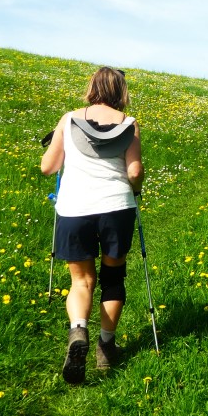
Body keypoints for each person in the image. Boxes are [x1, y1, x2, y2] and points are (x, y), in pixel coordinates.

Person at [40, 67, 144, 384]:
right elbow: (135, 172)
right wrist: (135, 189)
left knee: (81, 281)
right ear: (121, 91)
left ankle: (78, 331)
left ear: (93, 87)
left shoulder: (69, 119)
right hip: (116, 207)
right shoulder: (129, 125)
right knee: (113, 278)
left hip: (75, 209)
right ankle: (105, 347)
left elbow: (48, 167)